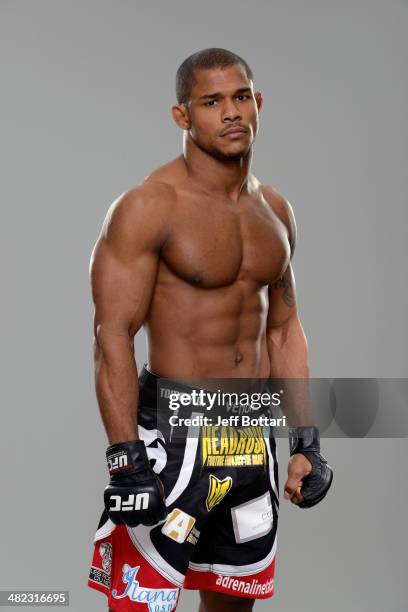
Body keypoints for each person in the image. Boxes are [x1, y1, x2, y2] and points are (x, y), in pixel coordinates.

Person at [87, 48, 333, 612]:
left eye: (241, 96)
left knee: (232, 601)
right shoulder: (149, 206)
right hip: (171, 434)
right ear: (182, 116)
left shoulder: (274, 210)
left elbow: (284, 330)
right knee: (142, 601)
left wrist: (306, 444)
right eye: (211, 101)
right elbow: (112, 336)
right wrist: (124, 459)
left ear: (259, 103)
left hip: (249, 433)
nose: (230, 113)